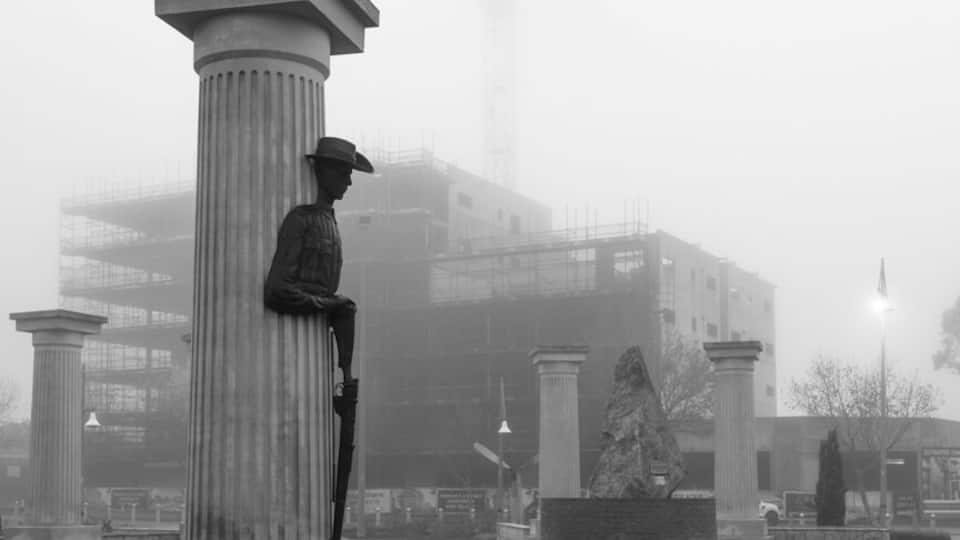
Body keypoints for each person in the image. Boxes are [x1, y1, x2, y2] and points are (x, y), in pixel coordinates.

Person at [263, 136, 374, 380]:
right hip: (291, 356)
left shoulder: (330, 223)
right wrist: (329, 304)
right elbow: (277, 291)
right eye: (345, 173)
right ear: (324, 171)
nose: (349, 182)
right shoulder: (300, 220)